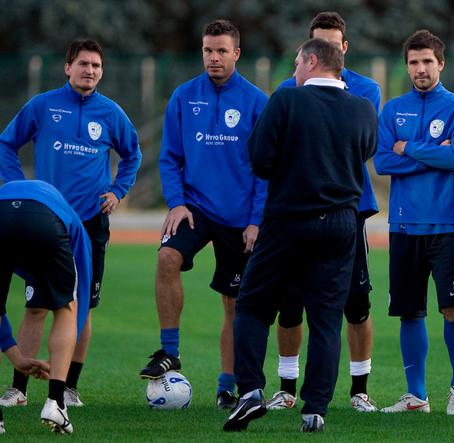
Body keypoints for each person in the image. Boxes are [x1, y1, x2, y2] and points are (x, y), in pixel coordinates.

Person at [224, 38, 377, 433]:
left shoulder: (286, 101)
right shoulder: (363, 108)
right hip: (342, 222)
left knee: (253, 306)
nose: (293, 71)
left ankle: (251, 392)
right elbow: (364, 153)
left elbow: (258, 159)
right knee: (326, 319)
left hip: (288, 219)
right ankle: (315, 410)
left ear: (312, 61)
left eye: (296, 63)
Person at [0, 39, 142, 407]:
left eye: (96, 65)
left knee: (81, 306)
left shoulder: (111, 113)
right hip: (46, 224)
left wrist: (118, 190)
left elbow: (132, 154)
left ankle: (68, 387)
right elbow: (6, 144)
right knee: (35, 306)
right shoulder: (43, 106)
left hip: (91, 225)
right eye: (83, 64)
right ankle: (19, 389)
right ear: (68, 67)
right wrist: (19, 186)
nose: (90, 70)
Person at [139, 19, 267, 411]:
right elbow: (170, 157)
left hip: (239, 216)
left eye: (222, 51)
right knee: (167, 257)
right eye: (208, 50)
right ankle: (170, 351)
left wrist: (256, 221)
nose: (214, 57)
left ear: (237, 54)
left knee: (233, 305)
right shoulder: (183, 96)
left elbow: (266, 169)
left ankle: (226, 387)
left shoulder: (257, 101)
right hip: (194, 208)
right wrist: (176, 201)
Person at [268, 11, 381, 413]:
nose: (327, 49)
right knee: (290, 304)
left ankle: (359, 389)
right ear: (308, 48)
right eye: (319, 42)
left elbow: (363, 147)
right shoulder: (287, 89)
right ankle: (286, 387)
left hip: (348, 210)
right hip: (297, 211)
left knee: (356, 303)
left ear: (344, 47)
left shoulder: (366, 90)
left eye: (334, 43)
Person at [374, 29, 454, 415]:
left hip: (448, 224)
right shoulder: (392, 109)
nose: (420, 69)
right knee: (410, 311)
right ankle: (416, 396)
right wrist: (435, 152)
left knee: (452, 307)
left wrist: (410, 148)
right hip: (403, 225)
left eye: (427, 61)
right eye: (414, 62)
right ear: (407, 66)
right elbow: (383, 162)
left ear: (441, 63)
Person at [0, 179, 93, 434]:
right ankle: (56, 402)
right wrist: (75, 320)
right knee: (66, 309)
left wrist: (16, 357)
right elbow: (79, 294)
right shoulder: (74, 223)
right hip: (44, 220)